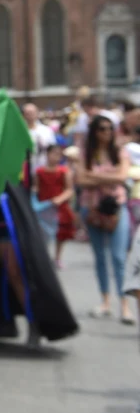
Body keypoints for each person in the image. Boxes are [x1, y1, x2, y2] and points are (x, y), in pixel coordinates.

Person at [76, 115, 134, 324]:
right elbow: (80, 179)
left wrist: (95, 177)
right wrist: (108, 176)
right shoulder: (86, 152)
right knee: (100, 257)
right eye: (102, 129)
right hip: (92, 208)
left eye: (110, 128)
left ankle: (125, 306)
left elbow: (122, 177)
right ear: (94, 132)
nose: (107, 132)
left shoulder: (119, 151)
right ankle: (105, 302)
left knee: (119, 258)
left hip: (116, 208)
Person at [36, 145, 76, 267]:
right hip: (44, 205)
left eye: (59, 154)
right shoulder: (39, 171)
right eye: (54, 153)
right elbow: (36, 188)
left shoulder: (64, 171)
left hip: (59, 206)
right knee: (43, 232)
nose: (56, 157)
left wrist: (60, 199)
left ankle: (57, 257)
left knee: (61, 233)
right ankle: (44, 256)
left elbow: (69, 190)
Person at [22, 103, 56, 177]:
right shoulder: (20, 131)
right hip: (26, 171)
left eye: (32, 112)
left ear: (37, 113)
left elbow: (53, 150)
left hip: (44, 168)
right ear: (23, 115)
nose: (30, 115)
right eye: (27, 113)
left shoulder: (46, 130)